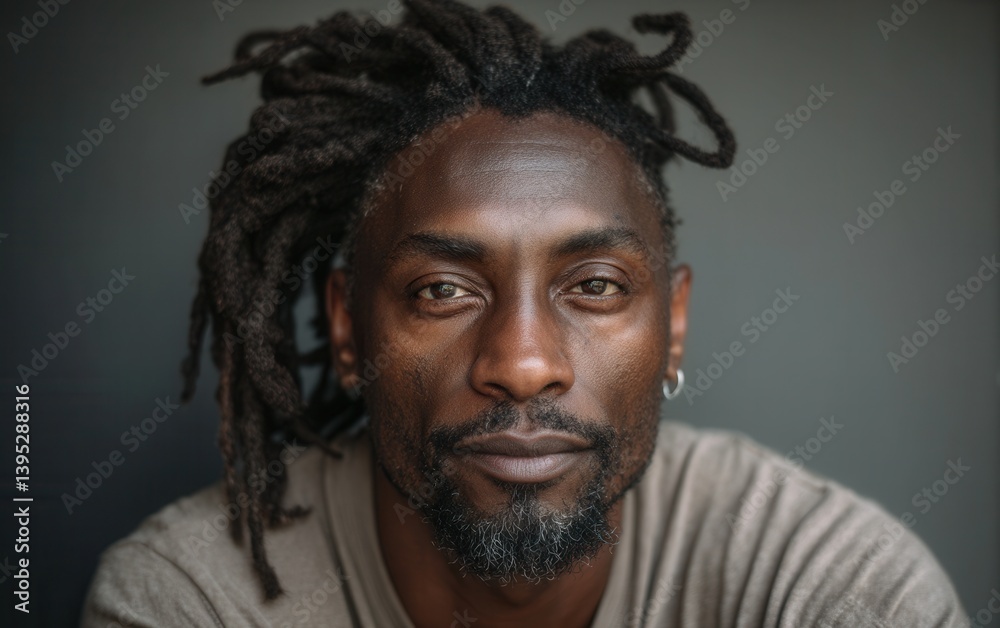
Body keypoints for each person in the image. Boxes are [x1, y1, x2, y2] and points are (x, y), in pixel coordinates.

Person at [82, 1, 968, 625]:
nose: (523, 362)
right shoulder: (192, 601)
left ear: (675, 328)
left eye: (595, 286)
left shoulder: (834, 586)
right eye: (443, 290)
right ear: (348, 329)